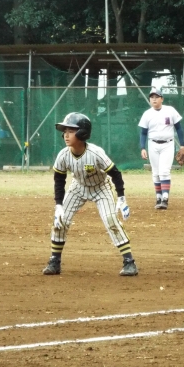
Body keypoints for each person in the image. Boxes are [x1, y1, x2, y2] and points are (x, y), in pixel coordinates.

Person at [42, 112, 138, 277]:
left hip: (101, 188)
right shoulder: (63, 155)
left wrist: (121, 198)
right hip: (78, 187)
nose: (66, 135)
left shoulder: (95, 153)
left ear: (82, 133)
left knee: (110, 220)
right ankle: (54, 261)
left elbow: (115, 174)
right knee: (61, 220)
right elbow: (59, 180)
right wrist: (58, 206)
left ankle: (129, 262)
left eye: (71, 131)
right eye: (65, 131)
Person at [138, 87, 184, 209]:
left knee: (164, 171)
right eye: (152, 97)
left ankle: (165, 198)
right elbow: (143, 133)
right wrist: (142, 148)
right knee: (155, 172)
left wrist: (182, 145)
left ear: (162, 99)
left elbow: (179, 128)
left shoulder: (170, 110)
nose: (154, 99)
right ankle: (158, 197)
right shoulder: (147, 114)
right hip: (152, 145)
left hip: (168, 145)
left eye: (156, 97)